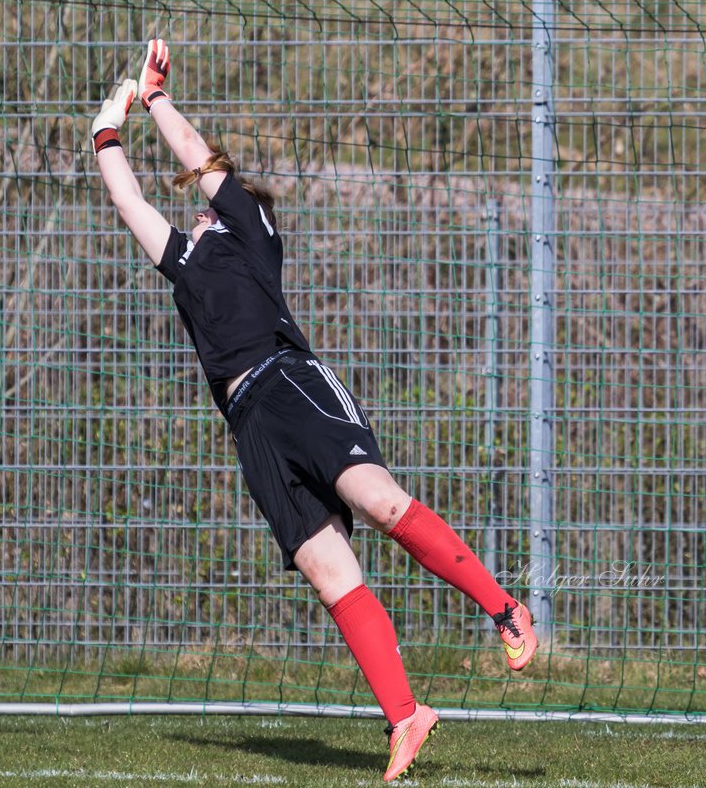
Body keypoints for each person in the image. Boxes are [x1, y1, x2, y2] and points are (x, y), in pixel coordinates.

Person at [90, 39, 538, 783]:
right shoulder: (187, 264)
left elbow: (200, 160)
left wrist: (155, 97)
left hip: (290, 384)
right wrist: (104, 131)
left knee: (380, 501)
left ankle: (503, 608)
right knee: (331, 575)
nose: (198, 213)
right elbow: (128, 198)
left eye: (211, 203)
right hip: (251, 426)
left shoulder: (252, 238)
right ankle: (405, 716)